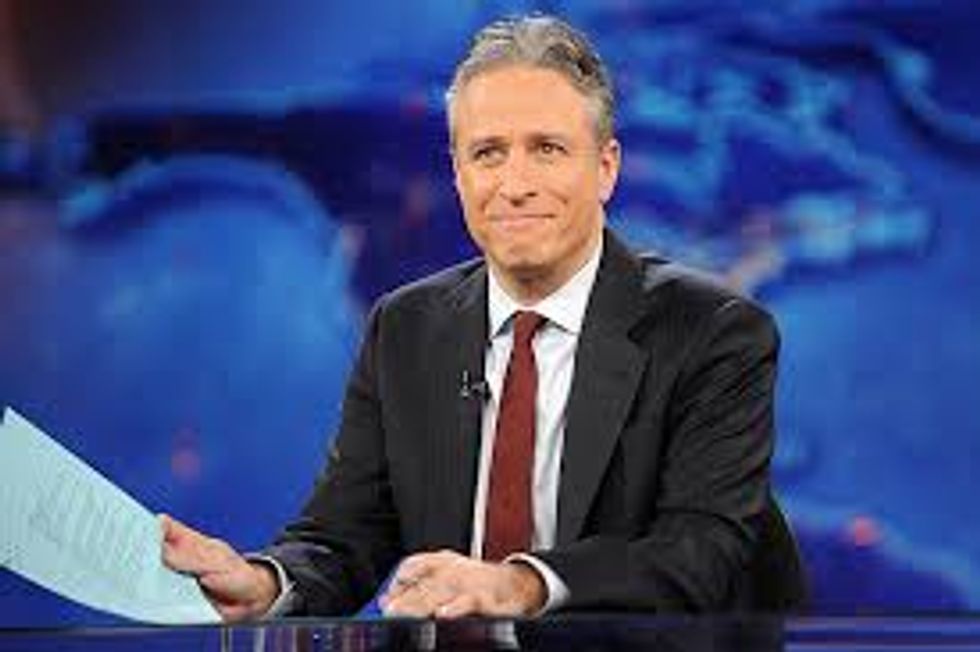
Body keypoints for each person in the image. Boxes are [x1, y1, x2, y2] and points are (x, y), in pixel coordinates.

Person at [162, 13, 790, 620]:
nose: (514, 185)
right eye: (488, 153)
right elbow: (343, 537)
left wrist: (520, 585)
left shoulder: (714, 330)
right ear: (458, 174)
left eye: (547, 149)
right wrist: (264, 583)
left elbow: (699, 555)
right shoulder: (405, 328)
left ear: (606, 168)